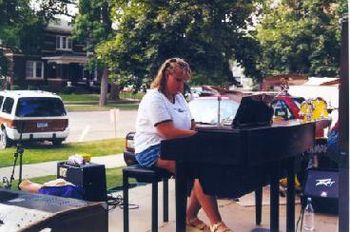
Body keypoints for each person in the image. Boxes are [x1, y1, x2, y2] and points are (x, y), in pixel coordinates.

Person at [134, 58, 232, 232]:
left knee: (210, 166)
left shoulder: (179, 98)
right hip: (152, 149)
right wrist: (198, 135)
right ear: (165, 75)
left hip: (178, 146)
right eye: (177, 80)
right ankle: (217, 224)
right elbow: (166, 131)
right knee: (199, 170)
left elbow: (192, 126)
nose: (181, 86)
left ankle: (190, 216)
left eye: (184, 81)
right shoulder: (153, 98)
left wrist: (212, 130)